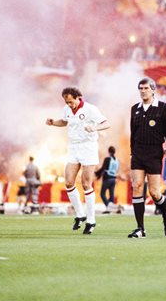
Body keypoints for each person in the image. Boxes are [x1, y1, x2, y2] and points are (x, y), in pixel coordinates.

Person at [45, 87, 110, 235]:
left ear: (78, 97)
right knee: (68, 182)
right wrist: (53, 122)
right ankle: (80, 214)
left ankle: (91, 220)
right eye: (66, 102)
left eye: (71, 102)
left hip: (88, 147)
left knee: (86, 183)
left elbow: (106, 123)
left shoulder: (90, 109)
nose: (69, 105)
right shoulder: (66, 109)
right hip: (73, 147)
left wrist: (93, 128)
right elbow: (65, 121)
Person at [128, 77, 166, 238]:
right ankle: (140, 228)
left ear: (153, 90)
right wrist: (131, 152)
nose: (143, 91)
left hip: (155, 153)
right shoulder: (135, 109)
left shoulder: (162, 108)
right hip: (138, 153)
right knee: (137, 187)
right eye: (140, 88)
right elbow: (133, 133)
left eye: (146, 88)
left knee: (154, 192)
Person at [96, 146, 119, 211]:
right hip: (114, 179)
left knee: (102, 193)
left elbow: (103, 168)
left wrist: (96, 174)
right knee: (111, 194)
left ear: (109, 151)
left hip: (107, 178)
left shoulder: (107, 159)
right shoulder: (116, 160)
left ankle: (109, 206)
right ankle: (112, 206)